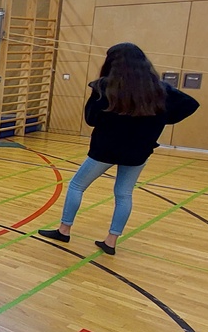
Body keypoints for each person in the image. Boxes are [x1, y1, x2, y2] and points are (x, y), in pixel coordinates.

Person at [38, 43, 198, 256]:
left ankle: (64, 230)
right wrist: (160, 120)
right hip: (138, 150)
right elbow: (190, 104)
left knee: (77, 185)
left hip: (105, 149)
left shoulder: (105, 87)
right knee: (124, 194)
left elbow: (91, 119)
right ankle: (111, 241)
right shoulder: (159, 89)